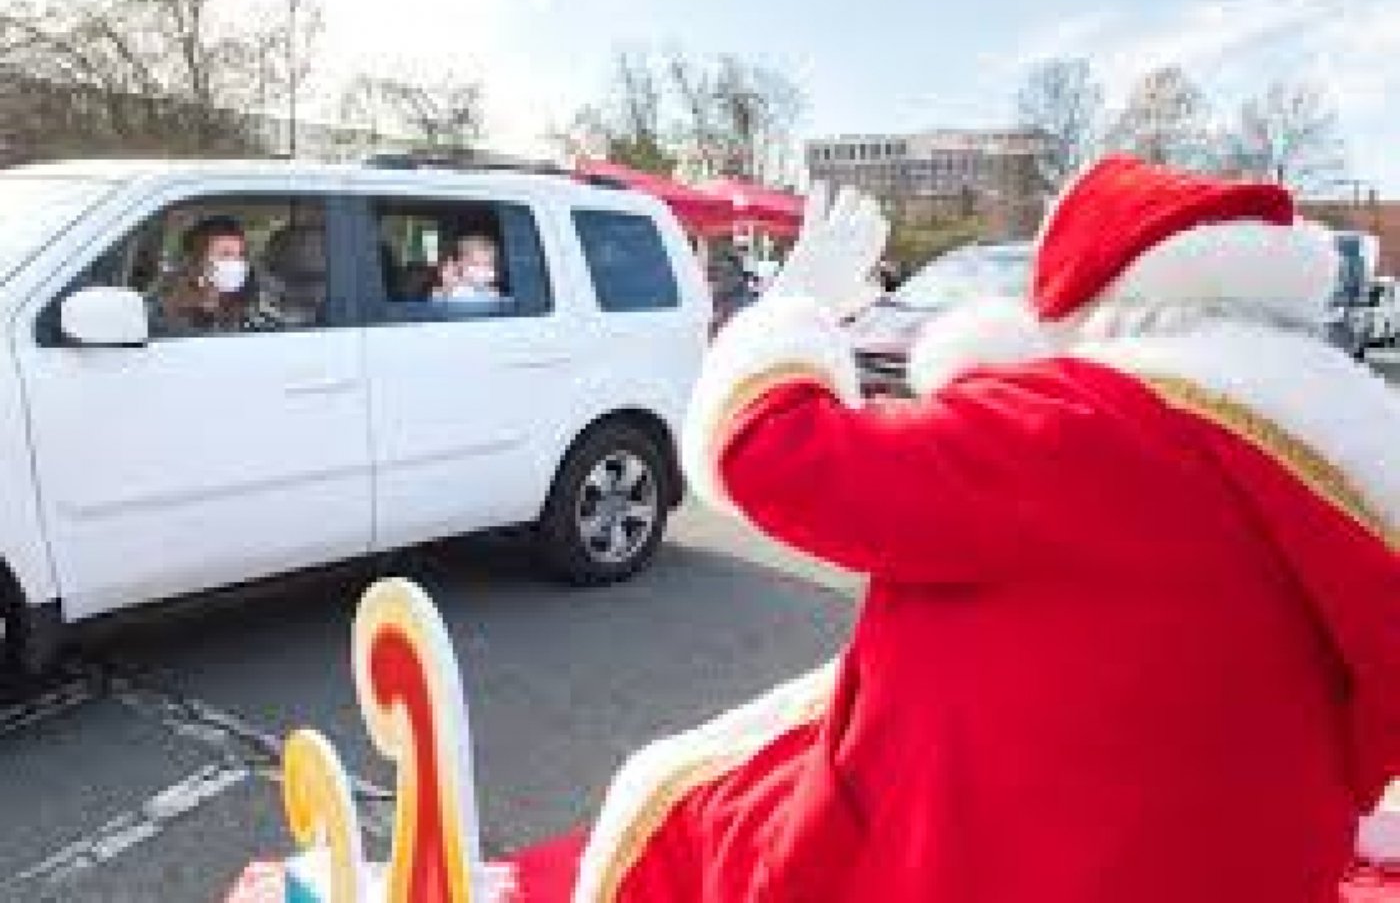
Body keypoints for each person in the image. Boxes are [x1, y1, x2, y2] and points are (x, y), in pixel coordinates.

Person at [573, 156, 1400, 902]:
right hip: (1249, 860)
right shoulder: (1347, 450)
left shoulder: (1082, 423)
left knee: (665, 804)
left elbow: (765, 450)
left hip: (1011, 850)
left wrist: (796, 308)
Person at [433, 233, 503, 302]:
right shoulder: (454, 288)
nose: (482, 269)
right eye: (475, 264)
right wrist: (448, 287)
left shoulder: (492, 293)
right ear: (461, 264)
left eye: (487, 264)